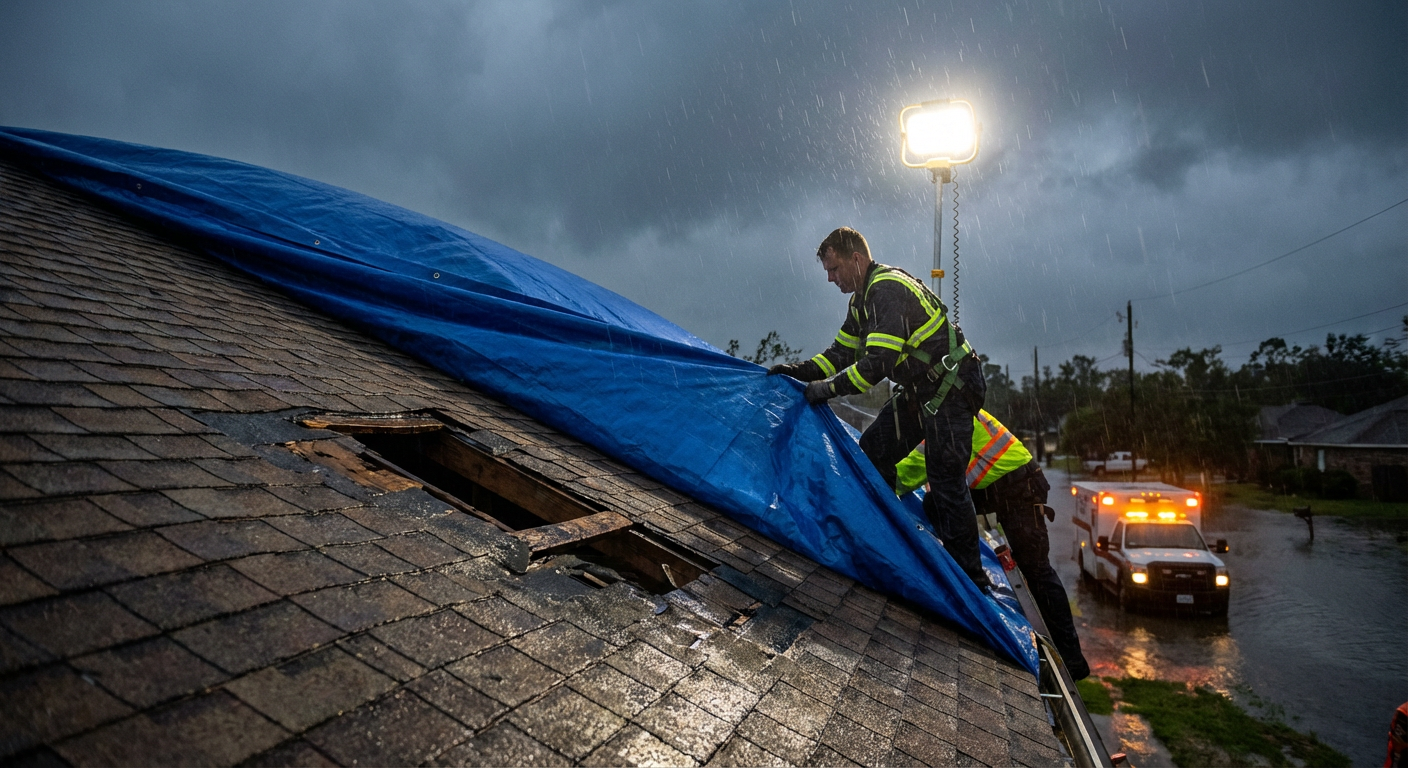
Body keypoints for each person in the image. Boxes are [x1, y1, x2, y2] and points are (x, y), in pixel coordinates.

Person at [768, 227, 990, 589]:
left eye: (834, 268)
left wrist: (825, 390)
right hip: (923, 389)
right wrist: (798, 372)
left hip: (953, 386)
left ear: (857, 259)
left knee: (945, 478)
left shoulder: (886, 289)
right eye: (827, 271)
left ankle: (971, 581)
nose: (830, 278)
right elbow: (839, 355)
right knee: (873, 452)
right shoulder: (860, 302)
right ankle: (894, 537)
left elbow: (877, 365)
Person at [894, 410, 1091, 680]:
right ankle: (965, 570)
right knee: (936, 503)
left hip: (1021, 486)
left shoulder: (947, 417)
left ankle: (1072, 660)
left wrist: (878, 479)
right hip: (998, 487)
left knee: (1037, 569)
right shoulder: (951, 406)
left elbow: (912, 468)